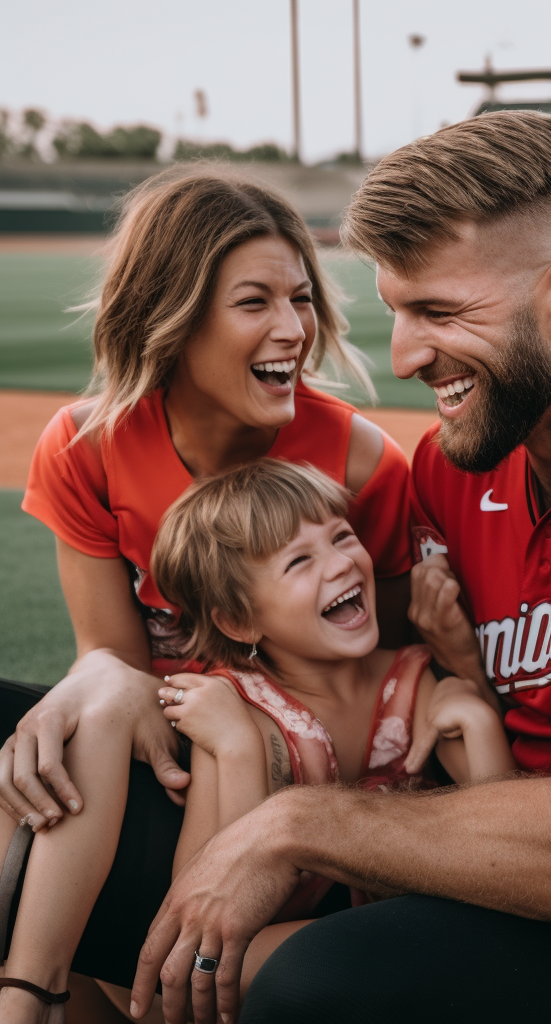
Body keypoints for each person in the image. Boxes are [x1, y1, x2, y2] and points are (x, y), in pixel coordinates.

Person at [129, 111, 551, 1024]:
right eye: (395, 313)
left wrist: (295, 825)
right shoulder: (459, 465)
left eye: (440, 312)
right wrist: (107, 685)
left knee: (301, 987)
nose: (405, 355)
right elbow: (345, 667)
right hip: (455, 823)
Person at [0, 169, 414, 1000]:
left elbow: (383, 675)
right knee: (40, 731)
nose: (295, 328)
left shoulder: (362, 463)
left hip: (294, 787)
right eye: (255, 302)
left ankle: (34, 989)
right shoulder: (86, 444)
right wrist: (69, 712)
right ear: (173, 314)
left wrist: (231, 736)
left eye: (300, 298)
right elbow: (109, 658)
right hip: (160, 755)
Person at [0, 458, 511, 1021]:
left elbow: (505, 854)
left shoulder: (416, 682)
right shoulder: (233, 708)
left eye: (342, 536)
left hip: (366, 941)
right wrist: (240, 748)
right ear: (240, 622)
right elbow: (193, 912)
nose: (341, 563)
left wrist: (479, 716)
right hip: (214, 962)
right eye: (300, 561)